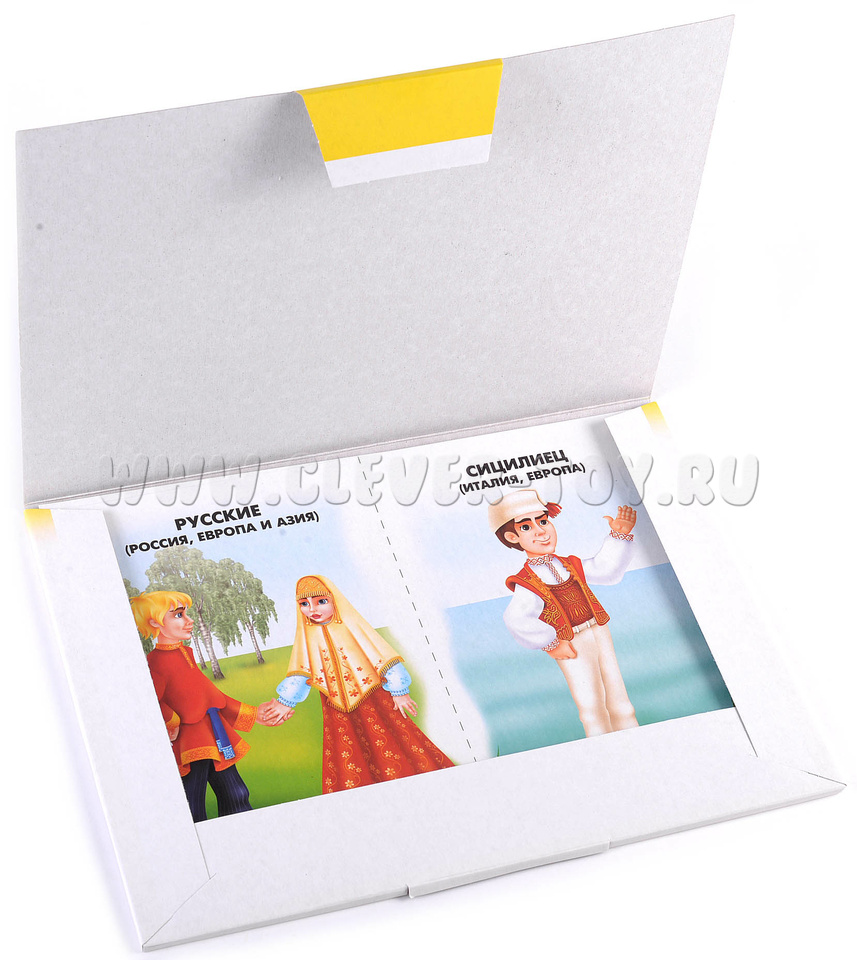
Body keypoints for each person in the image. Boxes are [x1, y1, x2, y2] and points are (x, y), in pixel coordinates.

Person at [259, 575, 453, 793]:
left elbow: (382, 657)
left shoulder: (352, 626)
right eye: (304, 604)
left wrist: (399, 691)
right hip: (336, 708)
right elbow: (302, 671)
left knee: (393, 743)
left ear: (335, 599)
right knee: (349, 754)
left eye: (321, 601)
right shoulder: (308, 636)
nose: (312, 609)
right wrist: (285, 702)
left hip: (373, 699)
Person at [489, 489, 639, 737]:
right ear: (512, 537)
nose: (541, 531)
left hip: (599, 630)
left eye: (543, 521)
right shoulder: (527, 582)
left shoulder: (570, 564)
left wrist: (619, 536)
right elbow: (516, 617)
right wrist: (551, 642)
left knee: (620, 699)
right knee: (591, 706)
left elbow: (605, 571)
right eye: (526, 527)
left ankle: (636, 740)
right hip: (571, 642)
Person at [131, 590, 271, 821]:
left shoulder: (184, 653)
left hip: (215, 737)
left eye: (186, 613)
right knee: (192, 803)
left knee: (236, 794)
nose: (189, 620)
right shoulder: (155, 662)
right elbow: (149, 700)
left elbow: (212, 696)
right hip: (188, 745)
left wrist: (254, 714)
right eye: (178, 615)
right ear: (155, 622)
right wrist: (171, 720)